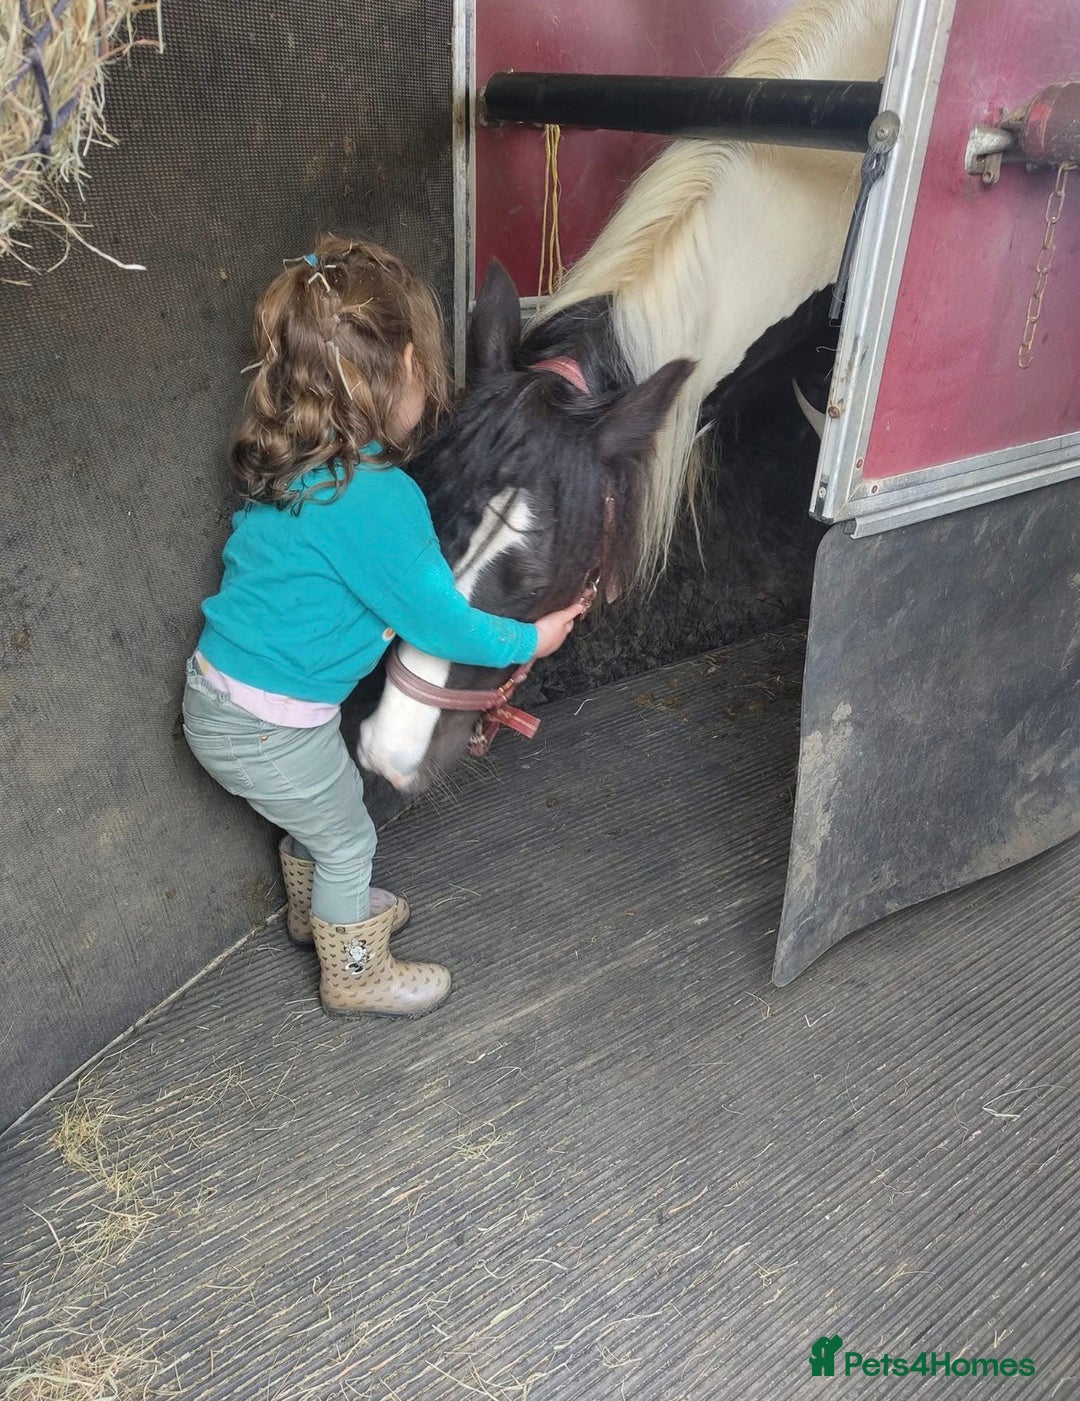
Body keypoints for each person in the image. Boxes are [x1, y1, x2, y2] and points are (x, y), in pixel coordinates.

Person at [182, 235, 581, 1021]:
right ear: (401, 369)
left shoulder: (294, 459)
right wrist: (529, 641)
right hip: (270, 726)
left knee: (319, 813)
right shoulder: (382, 501)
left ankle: (320, 915)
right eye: (424, 368)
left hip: (224, 700)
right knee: (346, 836)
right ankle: (355, 969)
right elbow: (441, 621)